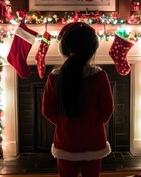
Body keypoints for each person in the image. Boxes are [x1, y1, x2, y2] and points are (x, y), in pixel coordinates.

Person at [41, 22, 114, 177]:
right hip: (93, 142)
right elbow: (107, 111)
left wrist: (64, 121)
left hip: (66, 143)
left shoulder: (54, 77)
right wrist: (91, 122)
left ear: (64, 48)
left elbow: (47, 110)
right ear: (92, 49)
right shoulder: (100, 76)